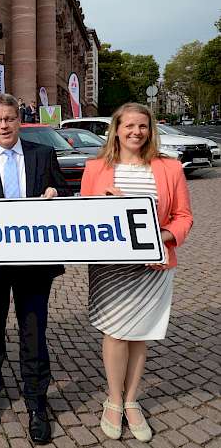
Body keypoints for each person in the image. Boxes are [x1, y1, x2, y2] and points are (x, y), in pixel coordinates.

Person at [80, 103, 193, 443]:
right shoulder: (96, 167)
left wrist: (162, 237)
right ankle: (113, 401)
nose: (136, 132)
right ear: (116, 129)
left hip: (153, 265)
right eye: (129, 125)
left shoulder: (170, 168)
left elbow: (183, 216)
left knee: (139, 334)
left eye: (142, 126)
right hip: (111, 267)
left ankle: (131, 401)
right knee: (116, 333)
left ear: (150, 130)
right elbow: (83, 215)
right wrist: (105, 205)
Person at [0, 93, 71, 445]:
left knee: (33, 331)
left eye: (9, 118)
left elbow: (65, 192)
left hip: (34, 263)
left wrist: (56, 193)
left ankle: (37, 402)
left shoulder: (43, 154)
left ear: (19, 121)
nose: (4, 125)